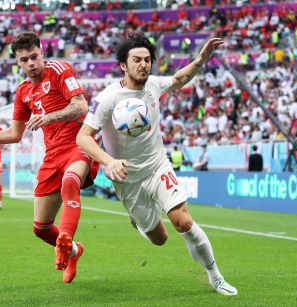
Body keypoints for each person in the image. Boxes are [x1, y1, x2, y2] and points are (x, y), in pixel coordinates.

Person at [76, 34, 237, 296]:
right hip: (127, 178)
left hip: (157, 166)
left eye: (147, 60)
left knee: (183, 222)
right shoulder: (107, 98)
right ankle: (138, 222)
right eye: (137, 60)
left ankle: (215, 276)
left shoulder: (153, 85)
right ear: (123, 66)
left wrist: (199, 60)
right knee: (159, 239)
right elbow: (82, 137)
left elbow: (178, 79)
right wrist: (109, 160)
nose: (143, 65)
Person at [0, 32, 98, 283]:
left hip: (78, 144)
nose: (31, 63)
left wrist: (50, 117)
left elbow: (81, 106)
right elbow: (14, 134)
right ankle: (74, 250)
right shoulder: (23, 91)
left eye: (34, 57)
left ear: (41, 52)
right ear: (17, 62)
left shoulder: (59, 69)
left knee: (70, 181)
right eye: (24, 60)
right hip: (52, 155)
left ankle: (64, 239)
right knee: (41, 228)